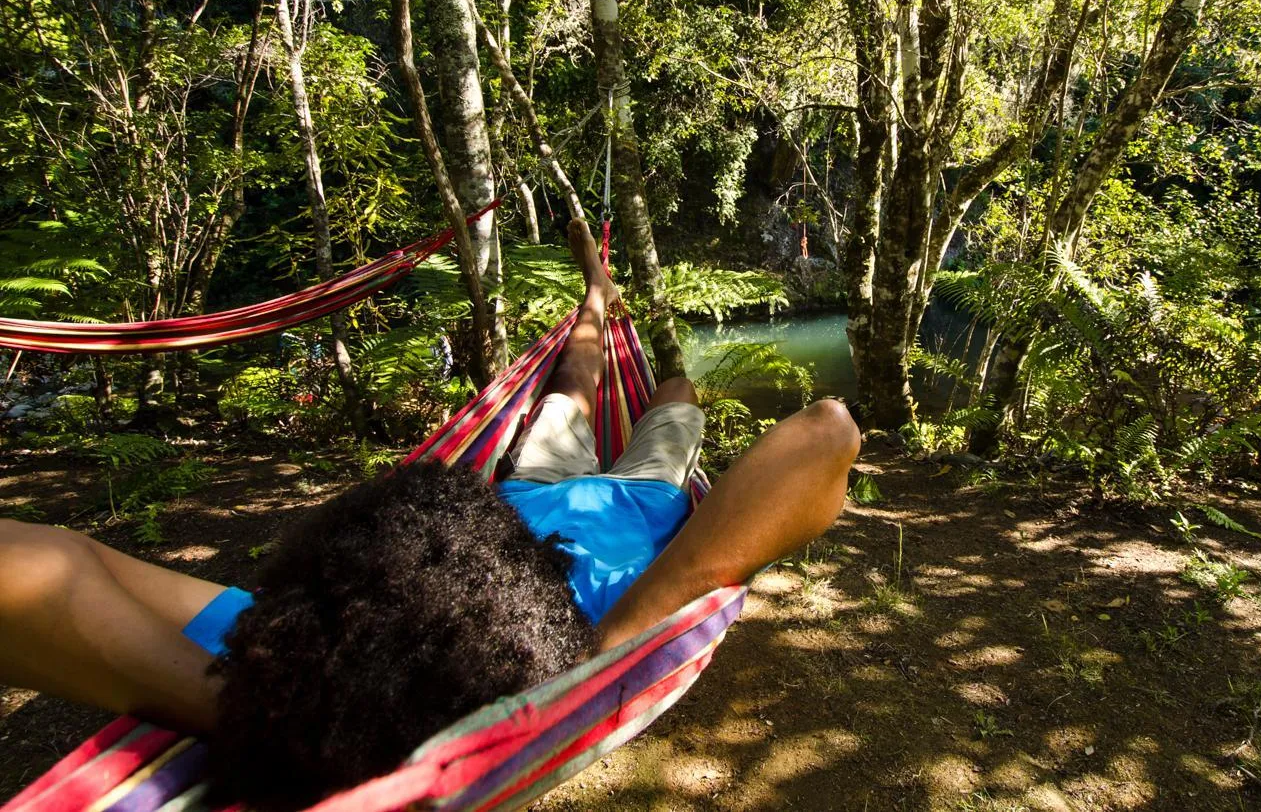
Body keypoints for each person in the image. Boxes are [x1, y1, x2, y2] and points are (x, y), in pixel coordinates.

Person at [0, 219, 860, 809]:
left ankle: (599, 303)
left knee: (572, 382)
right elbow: (828, 433)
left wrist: (244, 711)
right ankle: (605, 311)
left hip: (518, 493)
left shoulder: (294, 652)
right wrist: (621, 634)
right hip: (642, 497)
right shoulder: (610, 629)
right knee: (671, 397)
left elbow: (53, 565)